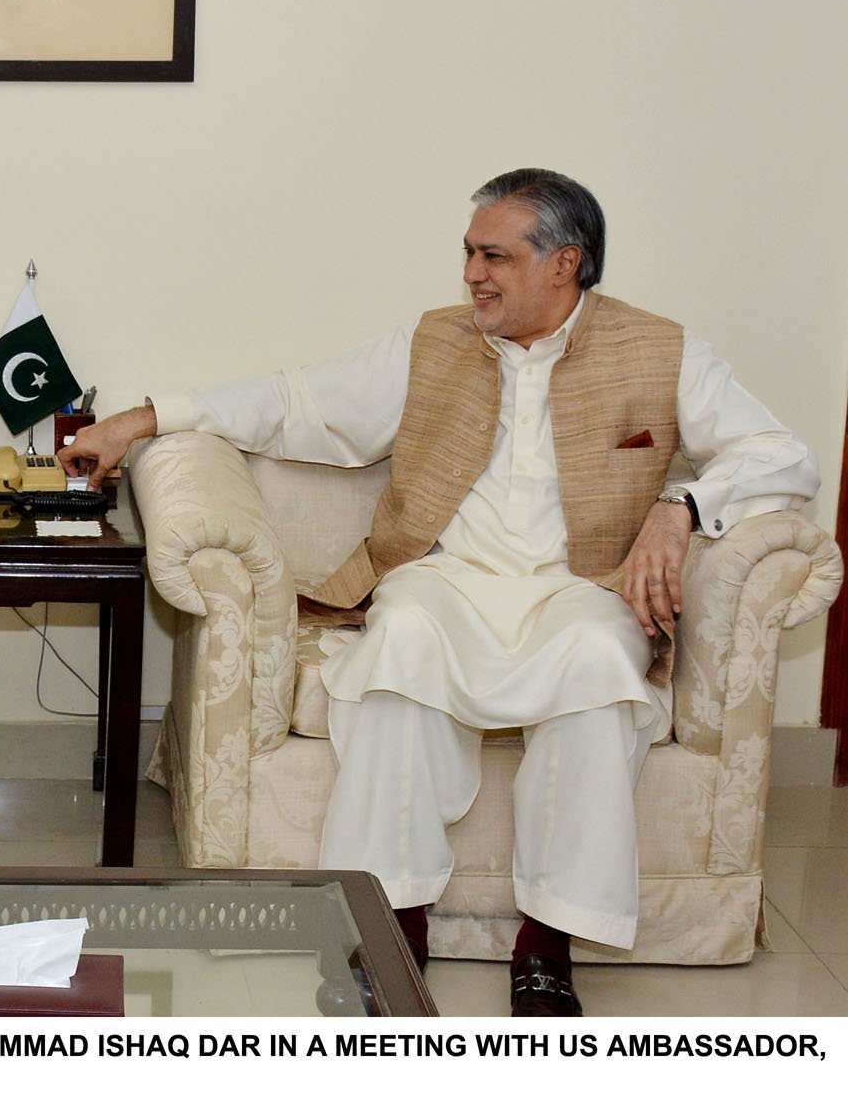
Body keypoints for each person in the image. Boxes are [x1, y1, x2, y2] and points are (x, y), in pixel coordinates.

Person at [59, 168, 819, 1017]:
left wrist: (683, 506)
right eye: (468, 253)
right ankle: (389, 928)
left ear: (563, 264)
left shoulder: (663, 350)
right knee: (400, 642)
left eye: (493, 255)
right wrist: (142, 417)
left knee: (603, 660)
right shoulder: (435, 342)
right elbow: (295, 402)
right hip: (445, 577)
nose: (471, 274)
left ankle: (547, 944)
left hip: (581, 588)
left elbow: (783, 456)